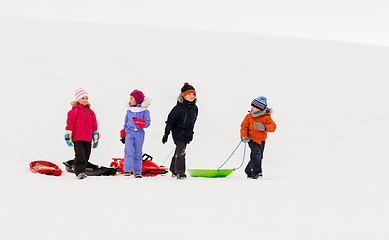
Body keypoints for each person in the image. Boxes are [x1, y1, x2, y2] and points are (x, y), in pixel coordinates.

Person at [162, 82, 198, 179]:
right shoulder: (178, 108)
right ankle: (180, 172)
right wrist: (166, 132)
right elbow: (170, 120)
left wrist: (191, 132)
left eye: (193, 94)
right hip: (178, 132)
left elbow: (193, 121)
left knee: (179, 151)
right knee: (181, 151)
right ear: (183, 96)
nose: (191, 96)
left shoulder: (195, 108)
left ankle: (173, 169)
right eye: (189, 94)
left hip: (187, 133)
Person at [65, 88, 99, 179]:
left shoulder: (91, 113)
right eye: (82, 98)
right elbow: (69, 125)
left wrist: (95, 136)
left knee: (86, 155)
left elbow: (94, 125)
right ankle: (79, 172)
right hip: (77, 138)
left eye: (86, 98)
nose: (85, 100)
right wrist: (68, 136)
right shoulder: (73, 112)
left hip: (88, 138)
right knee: (80, 155)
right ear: (77, 100)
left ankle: (82, 169)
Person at [240, 96, 276, 179]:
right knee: (256, 154)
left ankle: (248, 170)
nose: (251, 108)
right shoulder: (249, 117)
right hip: (251, 139)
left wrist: (264, 127)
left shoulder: (266, 117)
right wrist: (244, 136)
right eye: (251, 106)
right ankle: (257, 173)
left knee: (259, 157)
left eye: (254, 107)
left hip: (262, 140)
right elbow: (244, 127)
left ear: (259, 109)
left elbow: (273, 127)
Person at [120, 90, 151, 178]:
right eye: (130, 98)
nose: (130, 100)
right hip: (129, 132)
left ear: (137, 100)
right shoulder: (129, 111)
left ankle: (137, 171)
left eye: (132, 98)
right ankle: (127, 170)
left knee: (138, 151)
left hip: (139, 133)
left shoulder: (144, 111)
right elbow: (126, 122)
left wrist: (141, 122)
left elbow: (147, 123)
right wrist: (123, 133)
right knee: (128, 151)